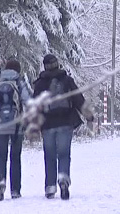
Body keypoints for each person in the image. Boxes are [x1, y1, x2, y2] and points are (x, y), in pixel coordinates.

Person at [33, 54, 94, 200]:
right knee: (64, 154)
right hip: (66, 123)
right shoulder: (67, 80)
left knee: (50, 155)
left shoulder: (40, 84)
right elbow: (78, 99)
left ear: (45, 66)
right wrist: (89, 116)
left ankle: (50, 186)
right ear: (58, 64)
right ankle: (63, 180)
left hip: (47, 124)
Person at [0, 59, 32, 201]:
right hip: (17, 126)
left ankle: (0, 182)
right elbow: (28, 102)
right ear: (18, 70)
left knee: (1, 157)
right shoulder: (19, 82)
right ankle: (15, 190)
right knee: (15, 158)